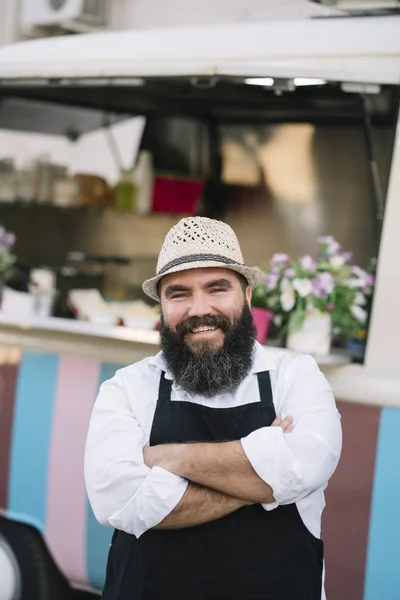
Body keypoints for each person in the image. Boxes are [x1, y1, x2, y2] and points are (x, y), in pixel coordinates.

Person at [84, 216, 342, 600]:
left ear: (248, 295)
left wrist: (167, 458)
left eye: (216, 288)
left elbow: (307, 465)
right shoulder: (126, 388)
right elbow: (117, 502)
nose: (198, 309)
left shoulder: (295, 375)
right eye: (178, 294)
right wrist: (262, 478)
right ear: (162, 306)